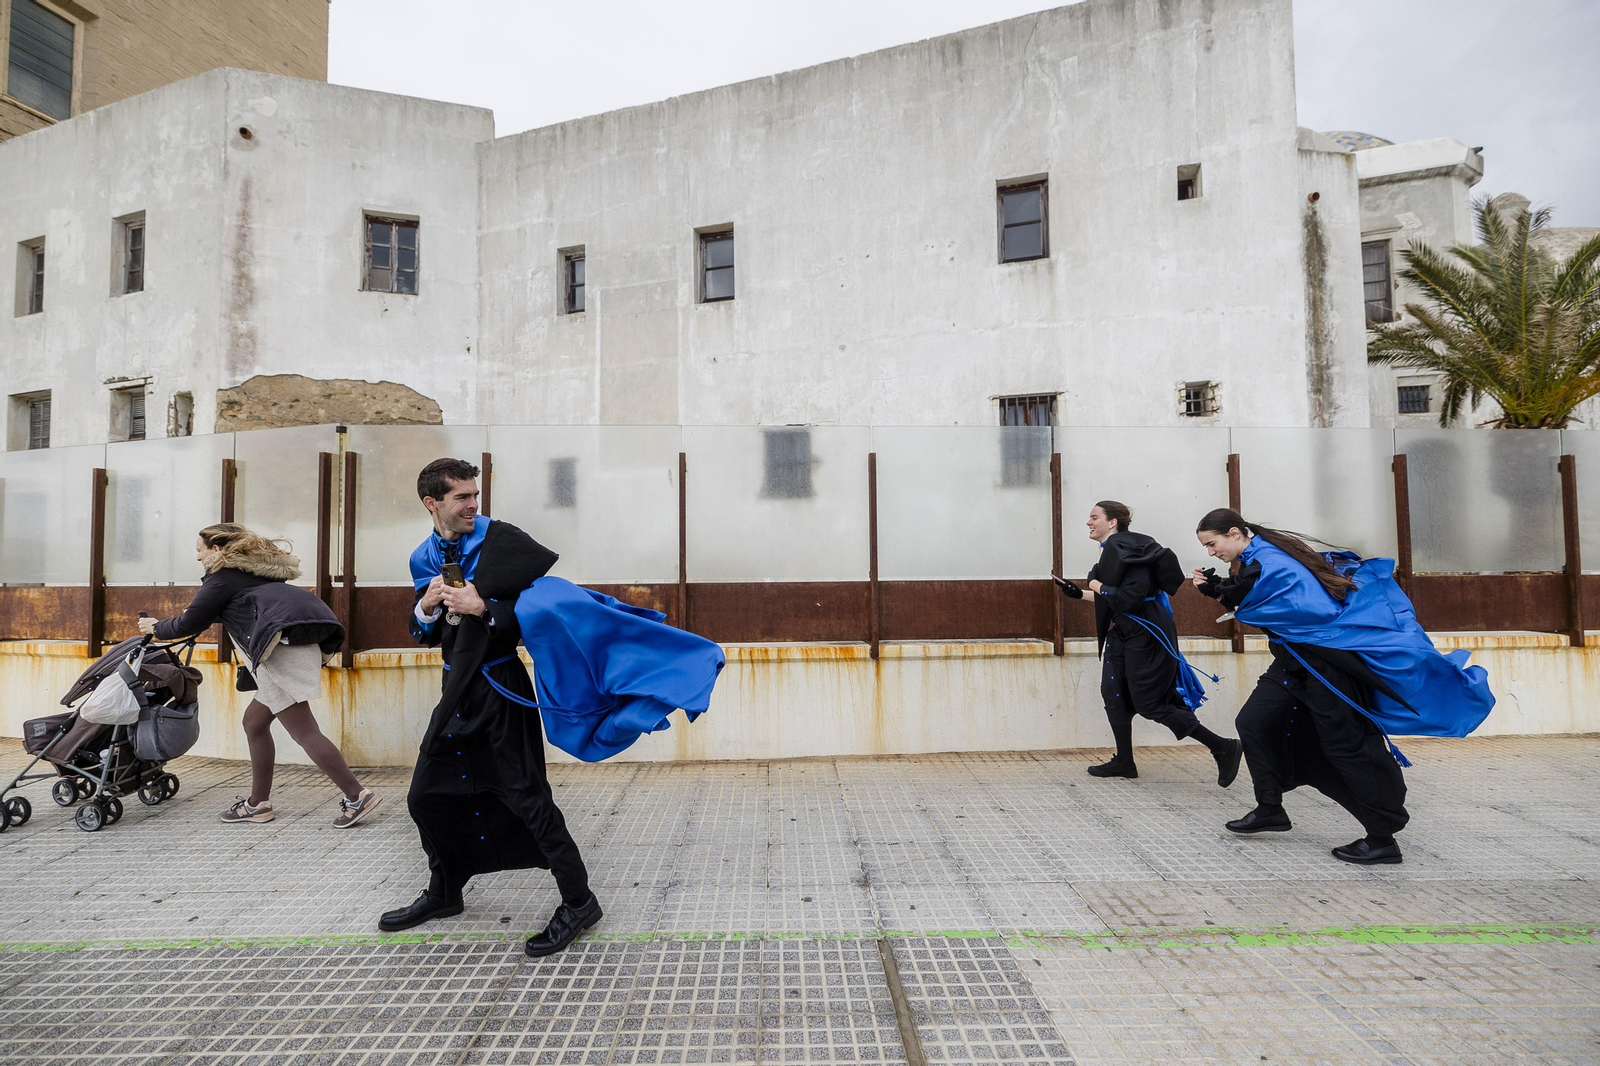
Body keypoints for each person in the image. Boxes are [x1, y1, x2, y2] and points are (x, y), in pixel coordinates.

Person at [379, 458, 601, 957]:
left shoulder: (502, 540)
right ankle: (444, 892)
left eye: (474, 495)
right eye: (461, 497)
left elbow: (541, 614)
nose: (473, 505)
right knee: (426, 795)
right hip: (456, 689)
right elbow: (423, 632)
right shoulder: (422, 557)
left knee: (526, 795)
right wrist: (426, 607)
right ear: (431, 503)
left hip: (501, 683)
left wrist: (486, 610)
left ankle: (580, 901)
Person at [1192, 508, 1494, 865]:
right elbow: (1259, 600)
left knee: (1346, 746)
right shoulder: (1258, 559)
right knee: (1254, 723)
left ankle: (1382, 838)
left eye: (1212, 544)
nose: (1211, 553)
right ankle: (1270, 807)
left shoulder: (1271, 560)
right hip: (1294, 662)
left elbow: (1294, 609)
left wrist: (1220, 592)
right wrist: (1219, 590)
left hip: (1325, 666)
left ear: (1234, 532)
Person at [139, 524, 377, 828]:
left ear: (216, 550)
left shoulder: (223, 576)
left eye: (200, 550)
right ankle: (258, 804)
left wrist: (155, 629)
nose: (198, 557)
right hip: (294, 644)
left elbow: (191, 622)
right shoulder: (256, 572)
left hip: (280, 652)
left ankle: (357, 795)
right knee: (254, 722)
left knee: (304, 731)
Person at [1057, 501, 1241, 784]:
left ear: (1113, 522)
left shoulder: (1134, 552)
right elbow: (1117, 598)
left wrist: (1094, 583)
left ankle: (1222, 746)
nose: (1088, 522)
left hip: (1147, 635)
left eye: (1094, 517)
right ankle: (1124, 761)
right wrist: (1079, 593)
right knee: (1114, 694)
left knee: (1150, 703)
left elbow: (1127, 599)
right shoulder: (1113, 552)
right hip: (1122, 632)